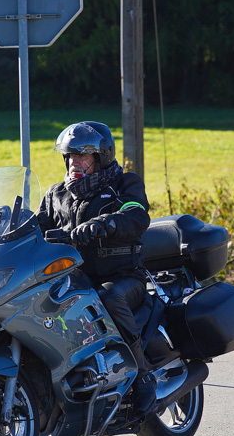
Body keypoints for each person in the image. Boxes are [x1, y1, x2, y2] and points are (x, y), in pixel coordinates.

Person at [37, 121, 156, 416]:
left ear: (101, 157)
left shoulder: (123, 184)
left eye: (82, 156)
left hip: (122, 277)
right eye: (70, 156)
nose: (74, 162)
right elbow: (35, 227)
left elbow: (136, 215)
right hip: (75, 280)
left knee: (109, 298)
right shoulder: (56, 195)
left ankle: (143, 376)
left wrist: (104, 223)